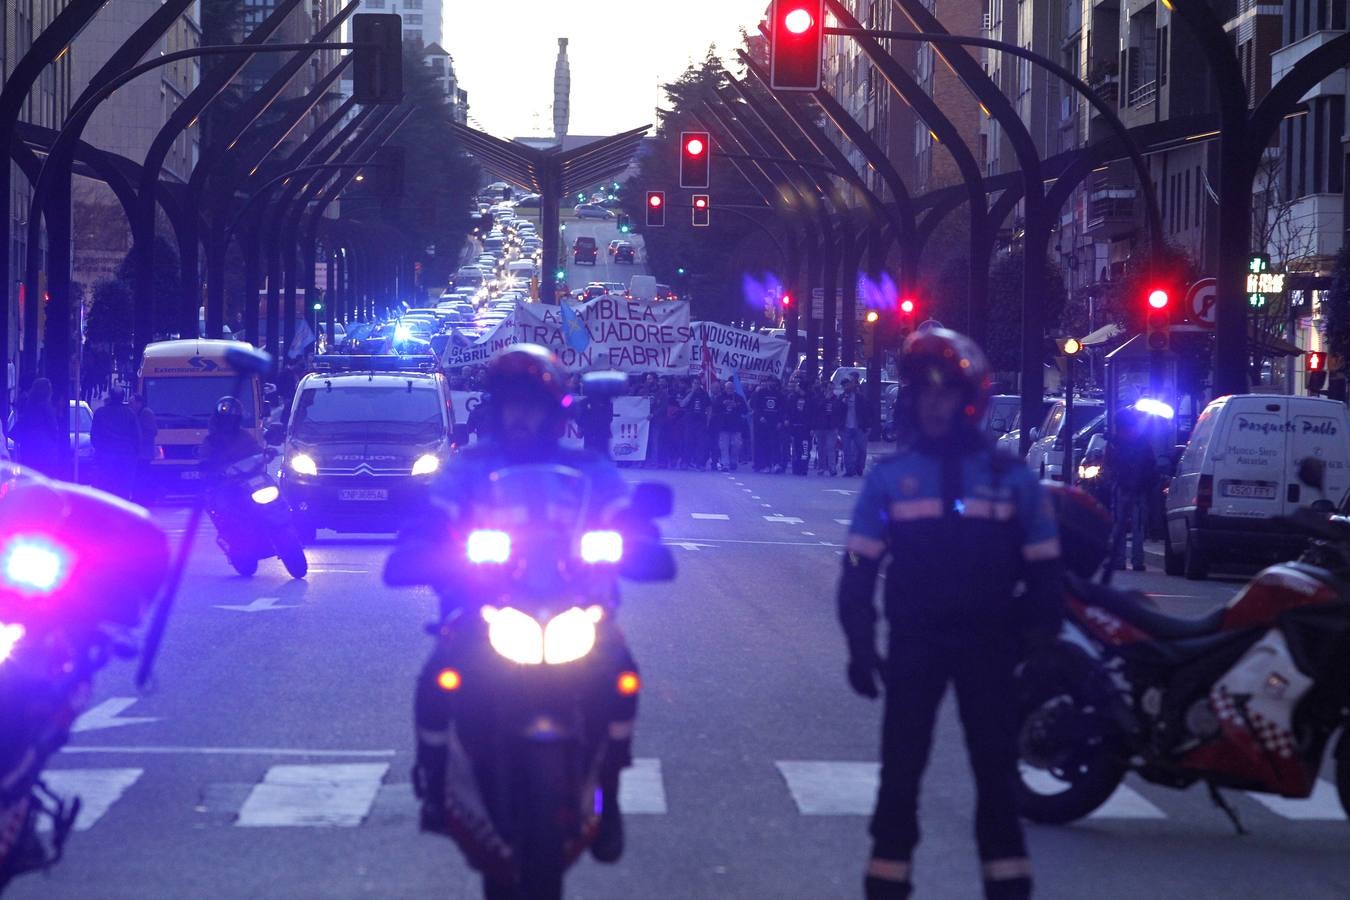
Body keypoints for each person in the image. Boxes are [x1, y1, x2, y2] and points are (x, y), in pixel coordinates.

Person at [837, 329, 1063, 900]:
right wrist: (861, 647)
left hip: (991, 647)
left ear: (969, 399)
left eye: (945, 393)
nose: (933, 404)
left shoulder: (1013, 479)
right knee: (899, 781)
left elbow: (1044, 576)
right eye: (922, 393)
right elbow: (858, 572)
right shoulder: (888, 478)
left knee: (997, 781)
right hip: (916, 647)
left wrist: (1039, 648)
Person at [396, 345, 639, 864]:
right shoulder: (469, 467)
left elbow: (627, 518)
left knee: (621, 673)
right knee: (438, 676)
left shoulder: (589, 468)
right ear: (496, 410)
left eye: (532, 405)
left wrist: (638, 542)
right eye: (512, 405)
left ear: (555, 413)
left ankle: (611, 795)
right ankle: (435, 783)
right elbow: (429, 523)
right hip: (482, 609)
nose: (521, 416)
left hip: (577, 607)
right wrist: (421, 550)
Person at [1106, 404, 1157, 572]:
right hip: (1136, 488)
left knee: (1120, 525)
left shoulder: (1115, 442)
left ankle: (1121, 560)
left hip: (1123, 487)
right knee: (1137, 526)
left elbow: (1110, 465)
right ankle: (1136, 560)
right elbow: (1151, 466)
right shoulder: (1142, 442)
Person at [90, 388, 141, 498]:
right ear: (123, 398)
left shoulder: (100, 413)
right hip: (125, 458)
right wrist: (134, 454)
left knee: (105, 490)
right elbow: (137, 437)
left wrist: (100, 450)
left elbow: (94, 436)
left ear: (110, 396)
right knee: (123, 490)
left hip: (105, 457)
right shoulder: (130, 414)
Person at [12, 377, 62, 476]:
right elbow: (53, 429)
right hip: (45, 450)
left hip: (28, 447)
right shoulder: (47, 408)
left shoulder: (27, 406)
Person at [712, 380, 749, 472]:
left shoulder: (739, 398)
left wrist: (736, 405)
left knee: (736, 445)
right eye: (728, 388)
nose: (730, 390)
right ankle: (725, 464)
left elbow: (745, 410)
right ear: (725, 388)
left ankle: (733, 461)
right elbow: (714, 410)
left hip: (736, 426)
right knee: (723, 445)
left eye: (731, 388)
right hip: (723, 426)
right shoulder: (720, 397)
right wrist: (723, 405)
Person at [840, 376, 871, 477]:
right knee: (847, 449)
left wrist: (868, 425)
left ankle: (859, 467)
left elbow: (867, 412)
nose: (847, 386)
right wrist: (843, 401)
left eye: (850, 384)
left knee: (861, 449)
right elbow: (837, 410)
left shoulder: (860, 397)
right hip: (846, 426)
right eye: (846, 385)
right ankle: (849, 470)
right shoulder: (842, 397)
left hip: (859, 427)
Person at [751, 380, 785, 472]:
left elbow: (782, 409)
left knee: (776, 444)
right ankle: (766, 464)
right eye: (769, 381)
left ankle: (776, 463)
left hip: (775, 423)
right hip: (763, 423)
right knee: (764, 444)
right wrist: (760, 416)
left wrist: (780, 421)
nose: (771, 383)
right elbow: (756, 406)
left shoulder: (779, 394)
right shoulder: (761, 393)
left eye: (772, 382)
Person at [680, 379, 712, 470]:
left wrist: (708, 421)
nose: (696, 385)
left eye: (698, 383)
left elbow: (709, 408)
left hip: (701, 421)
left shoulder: (704, 394)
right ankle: (686, 462)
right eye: (694, 383)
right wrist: (691, 393)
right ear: (692, 384)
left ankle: (700, 463)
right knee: (687, 442)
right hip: (689, 421)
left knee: (701, 443)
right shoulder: (688, 392)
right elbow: (682, 404)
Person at [131, 393, 158, 498]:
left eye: (132, 403)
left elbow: (152, 431)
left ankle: (145, 495)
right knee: (141, 473)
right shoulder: (138, 413)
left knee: (144, 473)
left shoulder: (146, 414)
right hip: (140, 452)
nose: (130, 405)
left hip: (144, 452)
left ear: (139, 403)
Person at [809, 382, 839, 476]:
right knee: (821, 448)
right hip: (820, 427)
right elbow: (816, 410)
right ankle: (821, 467)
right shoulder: (819, 398)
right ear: (825, 388)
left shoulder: (836, 398)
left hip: (831, 427)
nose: (830, 390)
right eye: (829, 388)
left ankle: (832, 468)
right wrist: (825, 400)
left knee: (831, 448)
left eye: (832, 388)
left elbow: (839, 410)